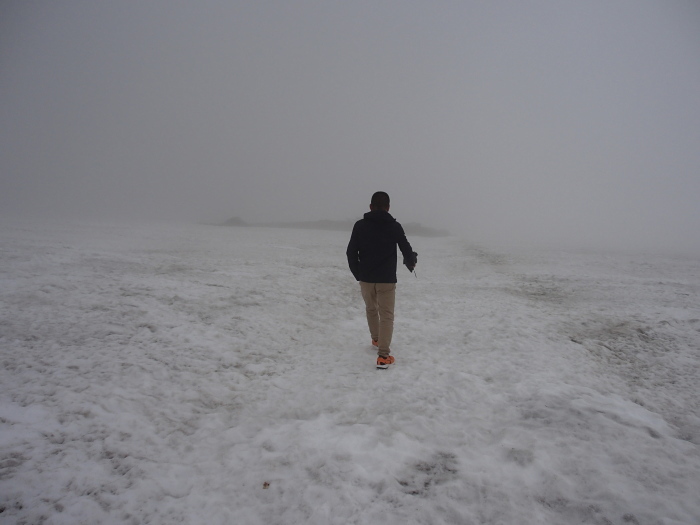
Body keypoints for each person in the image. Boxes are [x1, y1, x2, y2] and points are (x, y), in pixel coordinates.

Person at [346, 191, 417, 369]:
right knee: (386, 315)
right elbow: (406, 249)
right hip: (386, 279)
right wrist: (411, 261)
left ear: (370, 207)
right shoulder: (394, 226)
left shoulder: (360, 226)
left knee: (371, 309)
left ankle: (377, 340)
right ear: (388, 208)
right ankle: (383, 356)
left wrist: (358, 274)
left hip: (366, 278)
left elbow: (350, 252)